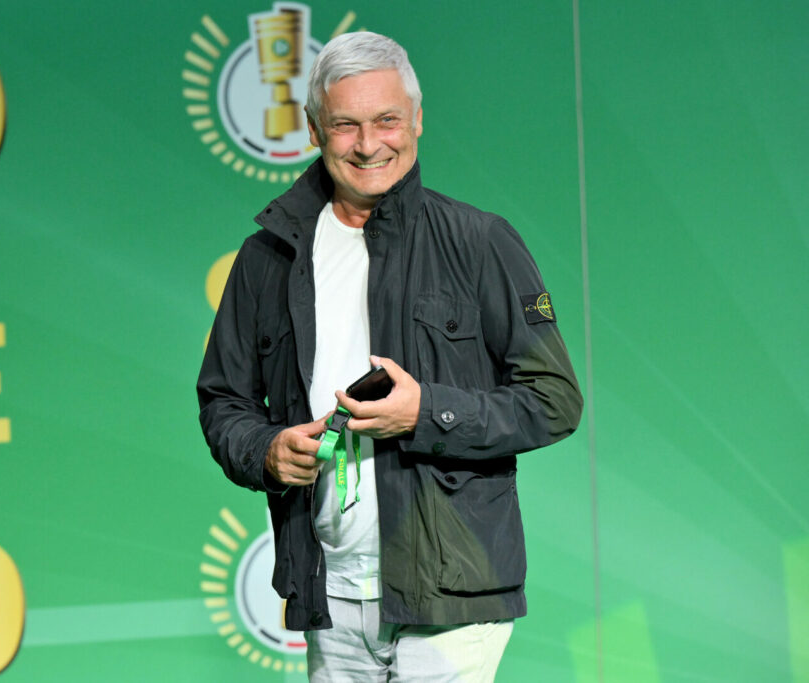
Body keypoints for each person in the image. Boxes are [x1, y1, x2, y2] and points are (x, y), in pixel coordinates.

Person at [197, 30, 582, 682]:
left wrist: (425, 412)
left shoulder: (480, 242)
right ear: (314, 130)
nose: (369, 144)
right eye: (345, 124)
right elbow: (223, 400)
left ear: (417, 120)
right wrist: (265, 450)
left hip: (453, 595)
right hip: (329, 591)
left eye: (387, 120)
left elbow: (554, 400)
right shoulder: (268, 257)